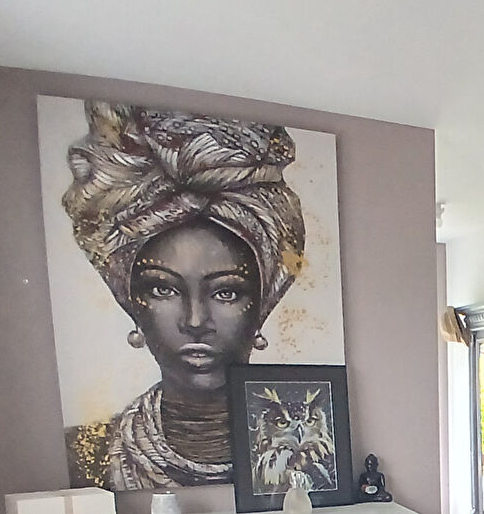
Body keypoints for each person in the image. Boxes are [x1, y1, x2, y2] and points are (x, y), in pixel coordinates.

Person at [60, 102, 306, 490]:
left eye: (226, 292)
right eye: (163, 289)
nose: (195, 321)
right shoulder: (86, 456)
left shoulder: (310, 455)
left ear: (263, 304)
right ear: (130, 302)